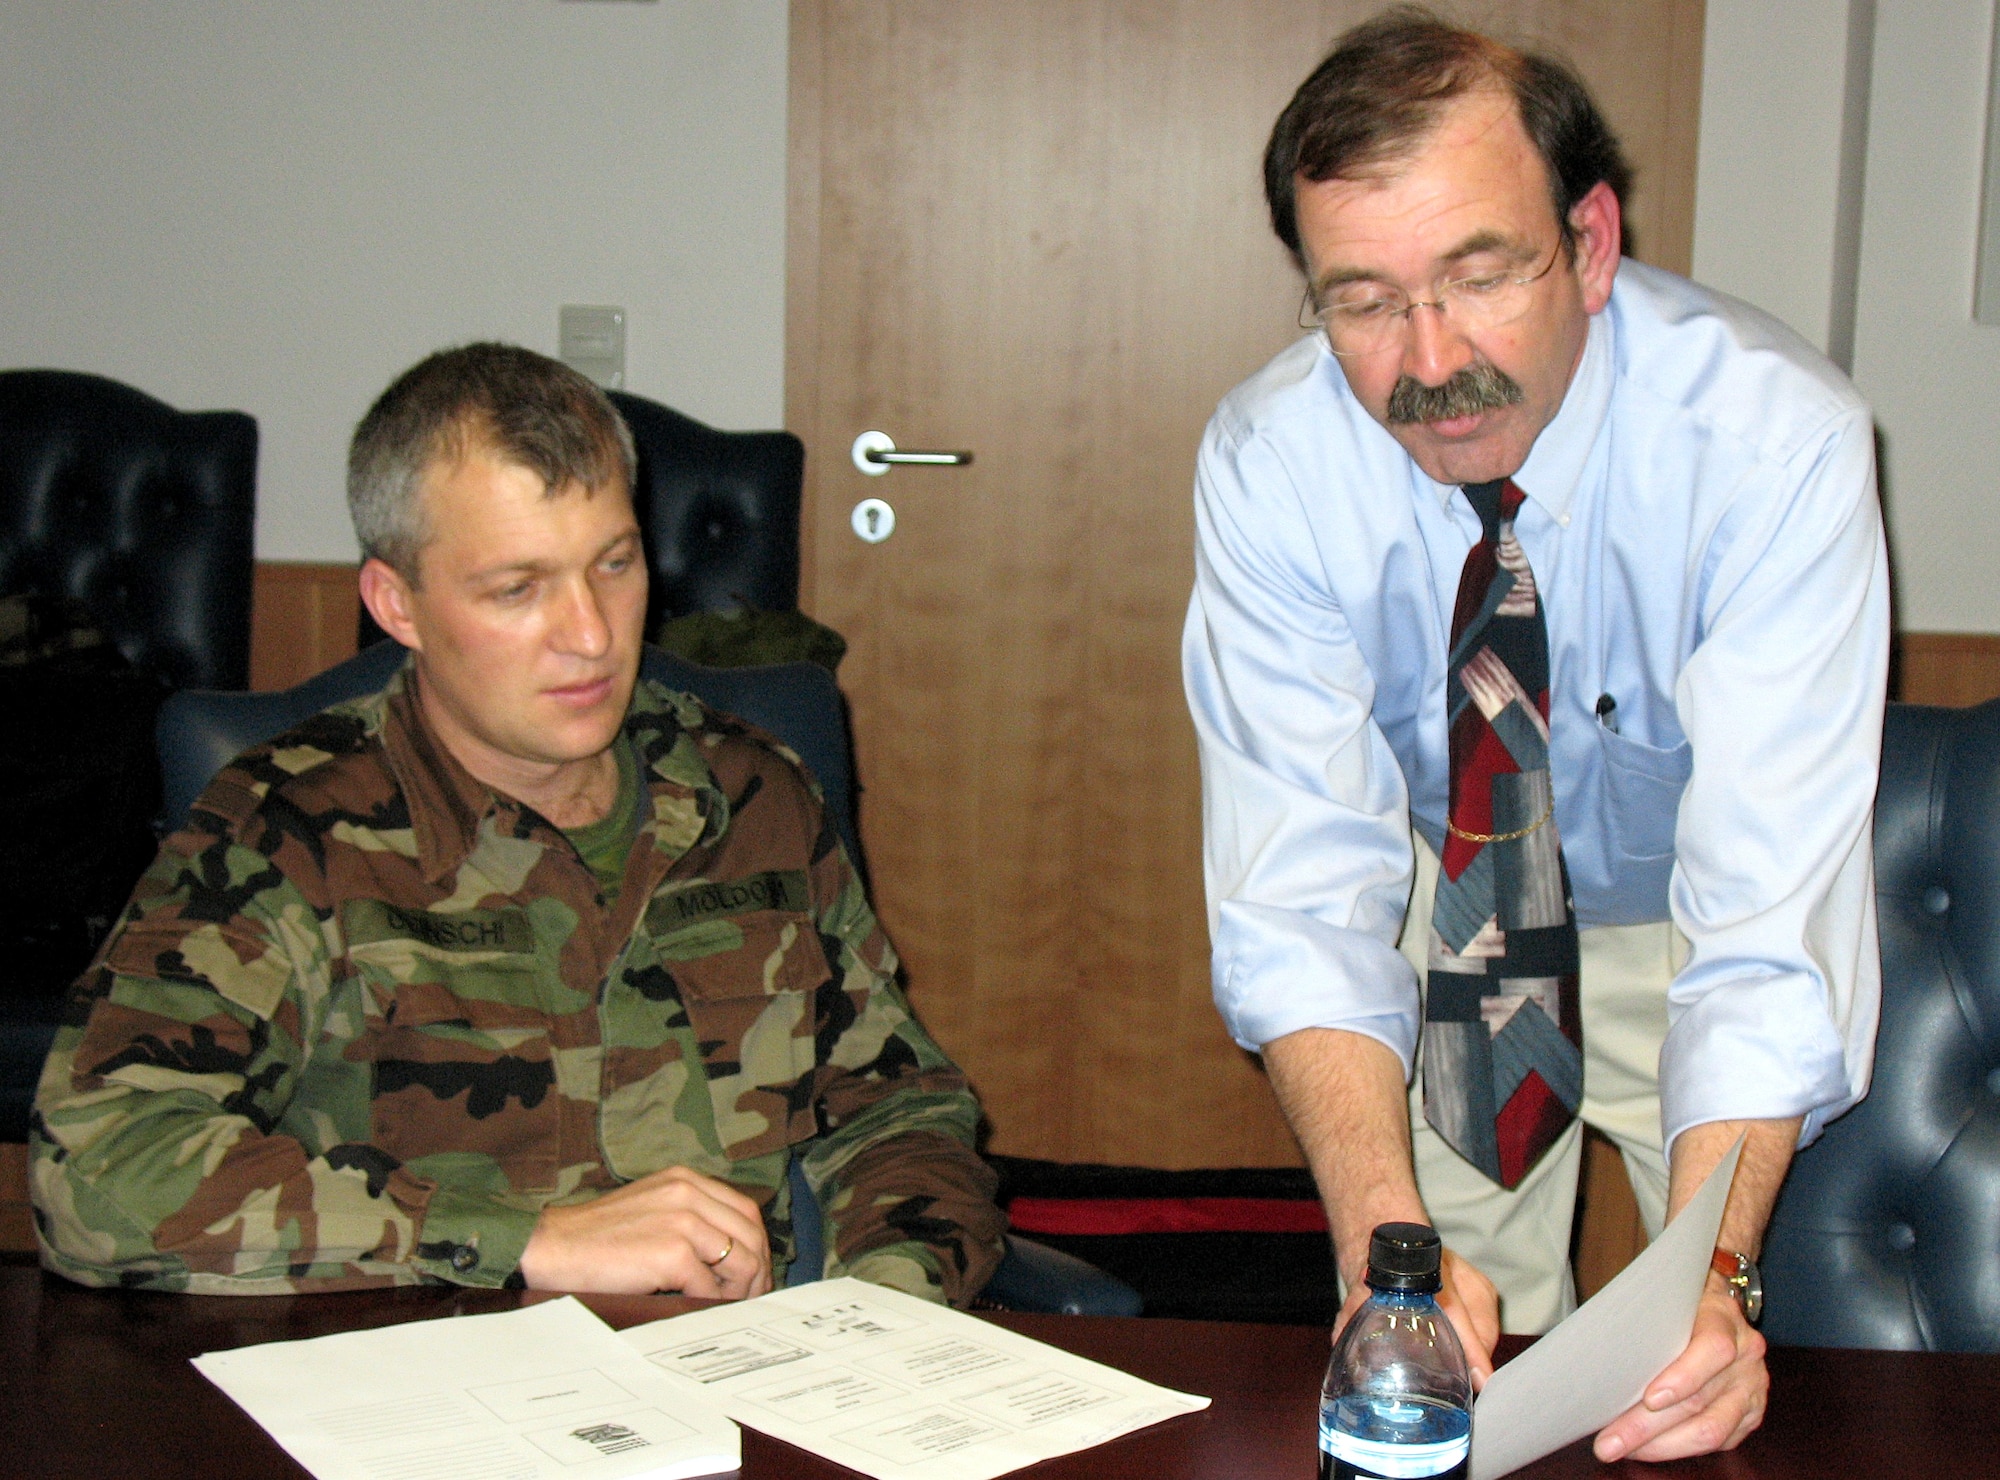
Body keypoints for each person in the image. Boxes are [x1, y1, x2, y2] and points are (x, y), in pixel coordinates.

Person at [1183, 10, 1886, 1464]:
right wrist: (1381, 1247)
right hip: (1460, 903)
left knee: (1705, 1370)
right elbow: (1307, 893)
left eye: (1481, 274)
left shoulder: (1777, 444)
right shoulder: (1274, 463)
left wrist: (1717, 1282)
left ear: (1593, 242)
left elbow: (1766, 929)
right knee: (1451, 1372)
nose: (1428, 362)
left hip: (1695, 912)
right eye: (1362, 300)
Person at [31, 342, 1006, 1306]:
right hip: (421, 1406)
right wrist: (529, 1241)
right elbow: (99, 1167)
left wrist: (883, 1310)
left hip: (727, 1392)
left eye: (613, 564)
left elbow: (900, 1110)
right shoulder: (289, 831)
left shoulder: (751, 795)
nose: (591, 634)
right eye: (518, 588)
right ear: (394, 603)